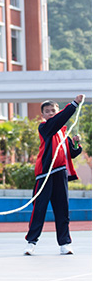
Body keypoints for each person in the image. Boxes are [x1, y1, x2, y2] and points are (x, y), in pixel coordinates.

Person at [24, 94, 85, 255]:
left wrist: (77, 144)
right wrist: (73, 104)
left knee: (62, 210)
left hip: (60, 173)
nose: (51, 113)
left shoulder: (64, 133)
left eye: (53, 111)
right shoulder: (45, 128)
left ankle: (65, 243)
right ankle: (31, 242)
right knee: (39, 209)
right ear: (43, 115)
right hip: (45, 175)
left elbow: (70, 153)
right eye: (48, 111)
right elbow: (57, 121)